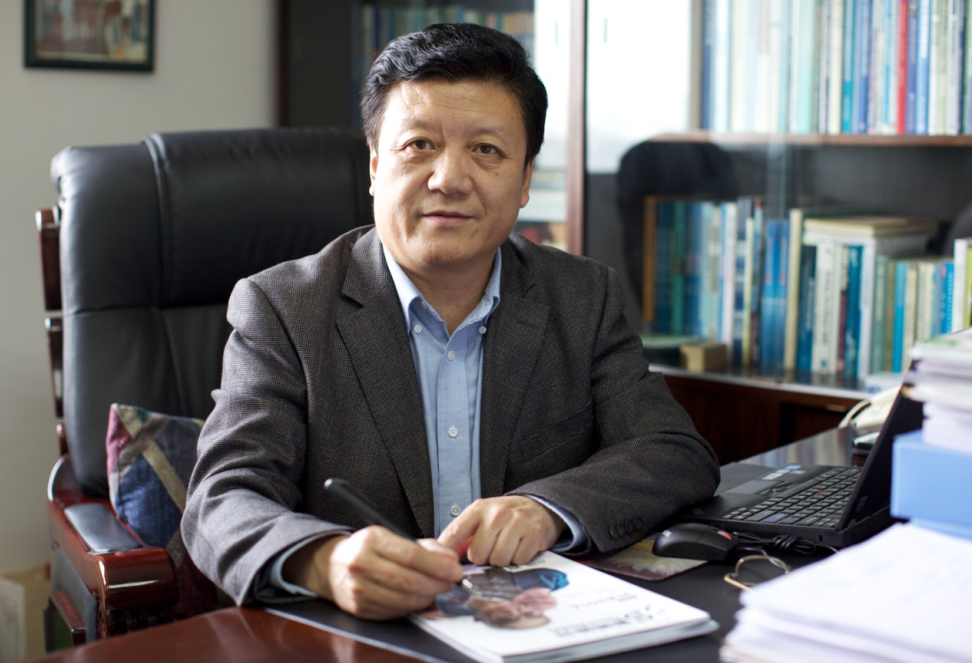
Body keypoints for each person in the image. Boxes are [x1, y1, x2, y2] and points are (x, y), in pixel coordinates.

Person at [182, 23, 719, 622]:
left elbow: (672, 451)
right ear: (375, 167)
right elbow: (222, 498)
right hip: (361, 636)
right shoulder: (284, 307)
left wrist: (549, 508)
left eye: (486, 150)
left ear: (524, 180)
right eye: (419, 145)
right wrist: (323, 561)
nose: (450, 179)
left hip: (535, 627)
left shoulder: (581, 297)